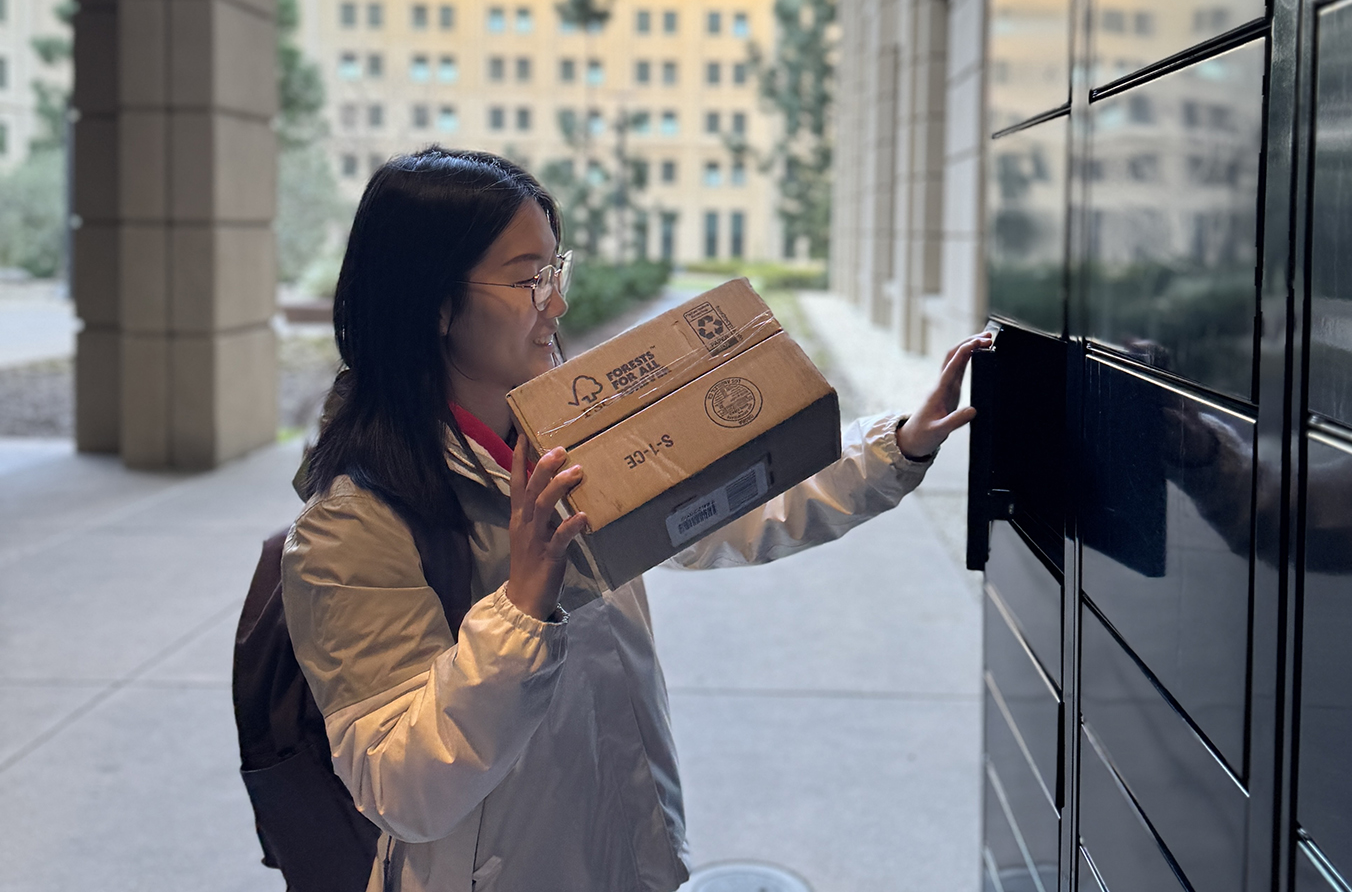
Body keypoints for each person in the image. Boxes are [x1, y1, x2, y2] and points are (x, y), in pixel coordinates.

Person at [282, 147, 989, 892]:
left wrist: (897, 445)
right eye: (529, 279)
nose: (556, 304)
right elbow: (403, 788)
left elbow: (740, 504)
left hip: (623, 854)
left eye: (557, 271)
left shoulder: (563, 439)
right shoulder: (350, 526)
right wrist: (523, 609)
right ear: (433, 302)